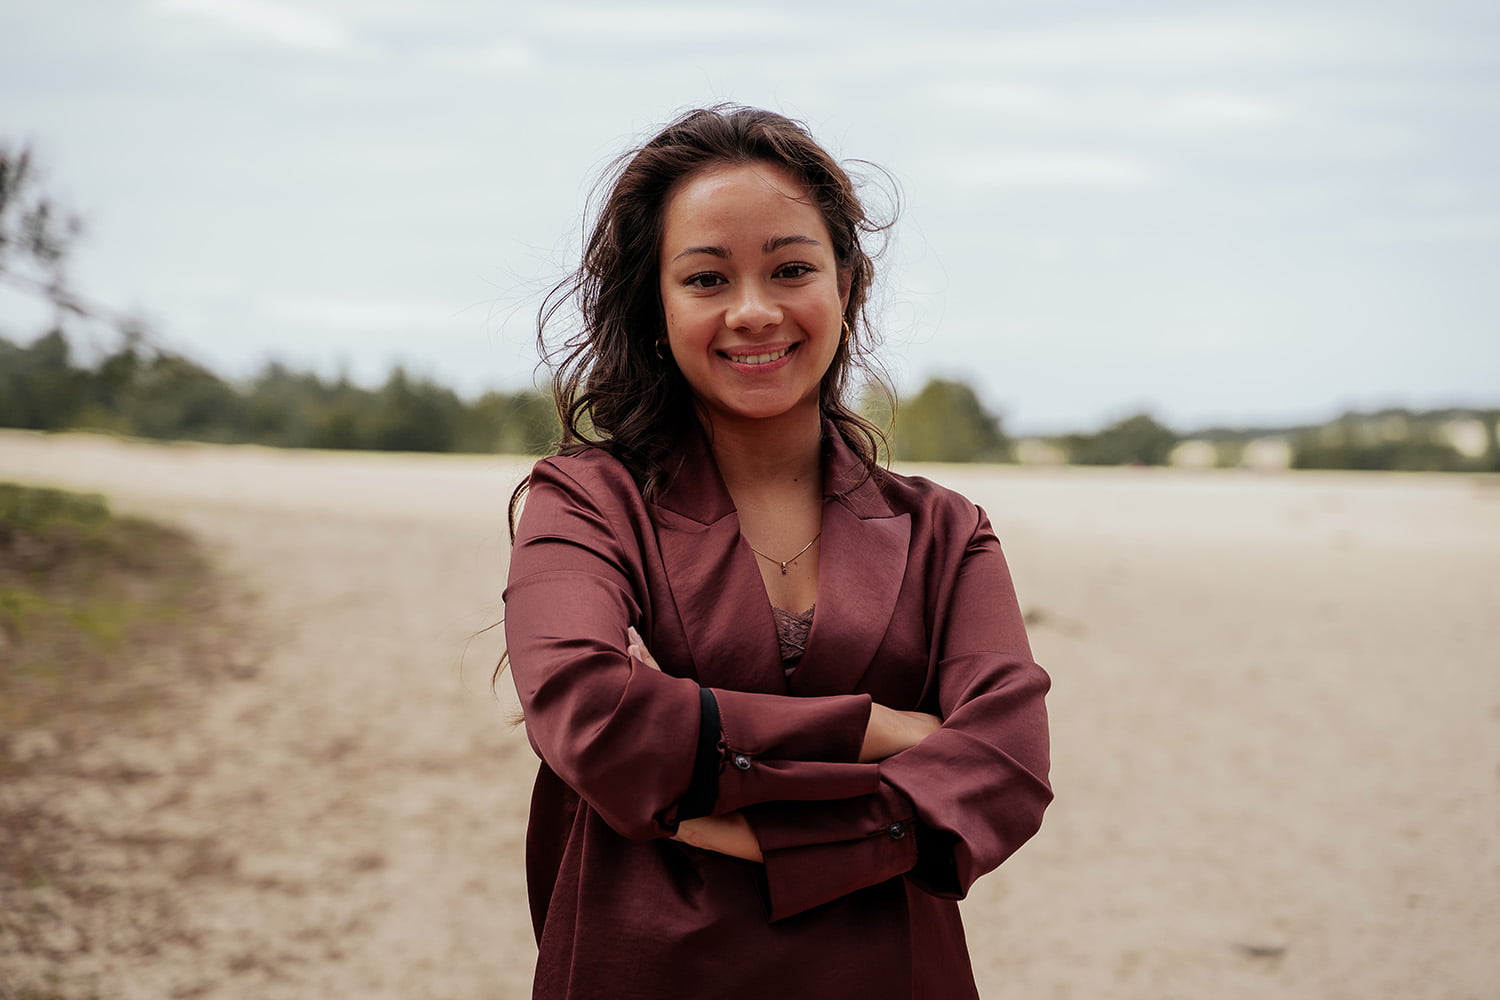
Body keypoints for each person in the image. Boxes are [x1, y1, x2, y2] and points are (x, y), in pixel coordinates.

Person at [501, 105, 1051, 1000]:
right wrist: (878, 731)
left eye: (791, 269)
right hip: (641, 968)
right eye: (707, 278)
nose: (753, 313)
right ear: (656, 303)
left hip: (891, 973)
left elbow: (1006, 771)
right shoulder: (585, 503)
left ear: (848, 288)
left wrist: (720, 813)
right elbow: (589, 711)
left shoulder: (947, 532)